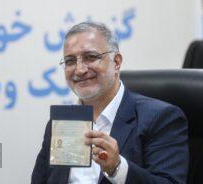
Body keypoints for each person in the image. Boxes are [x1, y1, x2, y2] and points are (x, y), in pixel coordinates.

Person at [31, 21, 188, 184]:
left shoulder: (161, 118)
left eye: (90, 57)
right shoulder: (62, 123)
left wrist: (117, 168)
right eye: (70, 61)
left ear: (117, 62)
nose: (79, 70)